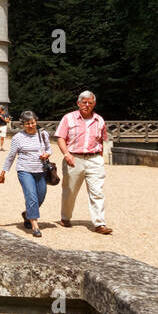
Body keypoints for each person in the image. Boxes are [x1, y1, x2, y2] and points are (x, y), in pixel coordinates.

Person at [53, 90, 112, 234]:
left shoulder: (99, 120)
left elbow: (102, 140)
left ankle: (99, 224)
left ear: (94, 104)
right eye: (84, 102)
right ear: (78, 103)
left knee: (97, 192)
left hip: (94, 159)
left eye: (90, 103)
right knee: (70, 191)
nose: (87, 105)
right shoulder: (69, 118)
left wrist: (100, 157)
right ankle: (65, 217)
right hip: (74, 158)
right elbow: (60, 137)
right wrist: (66, 154)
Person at [0, 110, 51, 237]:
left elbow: (49, 148)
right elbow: (11, 156)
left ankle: (27, 214)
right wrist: (3, 172)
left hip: (41, 170)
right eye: (27, 123)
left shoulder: (43, 134)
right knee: (31, 196)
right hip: (24, 170)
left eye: (32, 122)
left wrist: (47, 154)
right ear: (23, 124)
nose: (31, 125)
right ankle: (35, 226)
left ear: (36, 122)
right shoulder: (18, 138)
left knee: (40, 197)